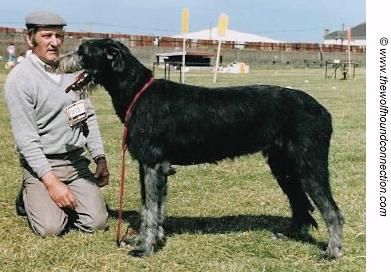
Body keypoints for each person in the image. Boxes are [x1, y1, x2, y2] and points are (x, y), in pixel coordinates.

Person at [4, 11, 109, 237]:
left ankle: (69, 195)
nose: (54, 42)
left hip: (76, 162)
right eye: (46, 36)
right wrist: (51, 183)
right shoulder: (20, 80)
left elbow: (87, 116)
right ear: (29, 38)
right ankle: (29, 196)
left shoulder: (72, 72)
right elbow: (26, 141)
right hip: (42, 166)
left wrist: (100, 158)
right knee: (51, 228)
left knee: (97, 223)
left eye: (59, 36)